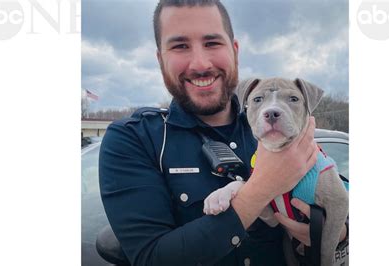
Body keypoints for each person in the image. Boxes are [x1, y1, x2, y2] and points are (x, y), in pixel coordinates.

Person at [99, 1, 346, 265]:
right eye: (180, 46)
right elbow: (151, 258)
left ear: (235, 51)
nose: (200, 63)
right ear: (160, 58)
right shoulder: (133, 139)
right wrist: (261, 189)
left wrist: (340, 233)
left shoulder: (280, 130)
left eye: (212, 43)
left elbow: (336, 192)